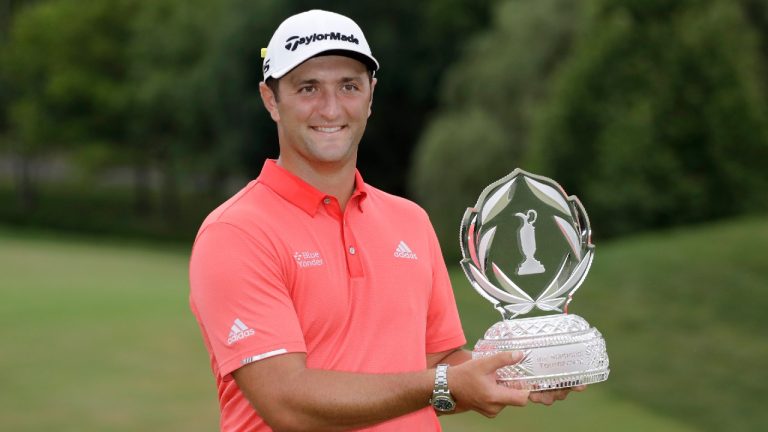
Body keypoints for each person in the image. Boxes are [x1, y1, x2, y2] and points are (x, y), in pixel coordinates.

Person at [189, 9, 580, 432]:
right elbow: (288, 402)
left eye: (349, 86)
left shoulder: (409, 220)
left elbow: (437, 367)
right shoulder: (236, 232)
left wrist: (524, 365)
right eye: (308, 88)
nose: (331, 107)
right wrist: (444, 382)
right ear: (271, 100)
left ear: (371, 96)